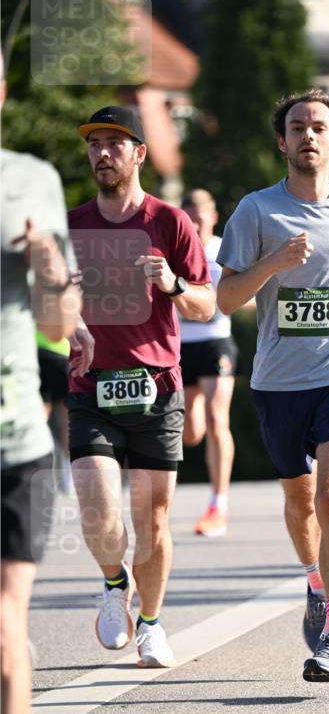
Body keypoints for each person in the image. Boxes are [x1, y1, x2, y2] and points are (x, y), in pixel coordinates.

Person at [217, 88, 329, 682]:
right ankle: (316, 580)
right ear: (282, 141)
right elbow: (226, 298)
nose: (308, 136)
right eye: (297, 127)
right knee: (300, 502)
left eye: (319, 127)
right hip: (277, 380)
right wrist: (273, 263)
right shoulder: (255, 211)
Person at [68, 106, 214, 669]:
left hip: (157, 389)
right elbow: (45, 302)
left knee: (153, 520)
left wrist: (173, 285)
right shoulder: (71, 225)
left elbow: (206, 305)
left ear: (139, 154)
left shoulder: (170, 222)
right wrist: (66, 320)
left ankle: (151, 624)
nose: (102, 153)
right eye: (94, 144)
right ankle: (114, 581)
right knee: (97, 508)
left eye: (114, 143)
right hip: (91, 387)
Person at [1, 76, 83, 714]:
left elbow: (59, 322)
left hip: (13, 443)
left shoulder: (30, 180)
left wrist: (49, 267)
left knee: (3, 634)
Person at [180, 189, 239, 536]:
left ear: (213, 217)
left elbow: (245, 292)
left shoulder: (224, 251)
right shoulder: (174, 251)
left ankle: (219, 503)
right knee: (191, 433)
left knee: (218, 418)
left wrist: (227, 301)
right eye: (189, 219)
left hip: (216, 341)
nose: (196, 225)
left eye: (200, 218)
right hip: (181, 346)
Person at [36, 327, 74, 494]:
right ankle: (68, 476)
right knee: (67, 418)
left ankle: (42, 468)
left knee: (40, 415)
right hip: (61, 352)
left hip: (35, 350)